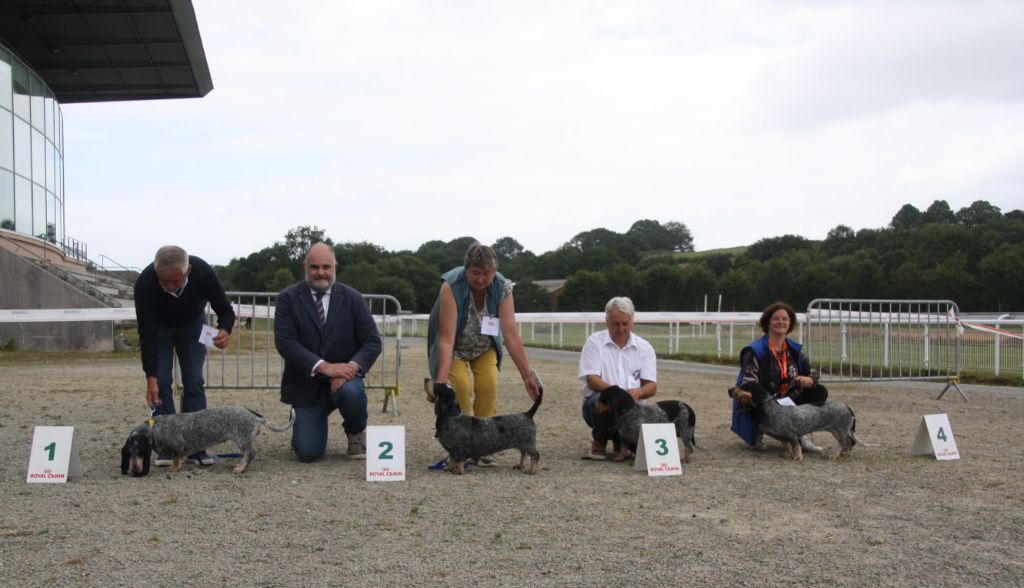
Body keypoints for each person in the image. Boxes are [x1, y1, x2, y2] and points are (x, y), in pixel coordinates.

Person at [274, 243, 382, 462]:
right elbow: (286, 343)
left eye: (326, 266)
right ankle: (303, 420)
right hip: (306, 386)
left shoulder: (353, 298)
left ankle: (355, 432)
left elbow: (372, 341)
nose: (320, 272)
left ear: (335, 266)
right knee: (308, 453)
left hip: (345, 382)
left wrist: (350, 369)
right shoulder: (288, 298)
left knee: (352, 392)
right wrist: (326, 368)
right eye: (314, 267)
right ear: (305, 266)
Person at [134, 245, 235, 466]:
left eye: (175, 281)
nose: (170, 286)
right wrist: (150, 376)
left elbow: (224, 308)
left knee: (193, 380)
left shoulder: (203, 272)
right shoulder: (145, 282)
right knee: (160, 382)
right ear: (155, 270)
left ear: (188, 271)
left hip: (193, 326)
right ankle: (166, 445)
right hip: (159, 330)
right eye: (164, 281)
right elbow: (147, 333)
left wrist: (224, 330)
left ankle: (195, 446)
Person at [426, 243, 540, 421]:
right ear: (466, 270)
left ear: (495, 271)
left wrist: (527, 376)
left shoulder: (503, 288)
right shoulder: (451, 287)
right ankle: (459, 437)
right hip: (455, 347)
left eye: (486, 273)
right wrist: (440, 383)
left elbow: (511, 336)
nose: (480, 279)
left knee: (488, 385)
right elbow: (446, 339)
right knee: (460, 388)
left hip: (485, 346)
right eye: (475, 273)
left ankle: (484, 437)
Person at [732, 301, 828, 449]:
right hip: (765, 399)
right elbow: (749, 381)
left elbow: (813, 372)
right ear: (768, 322)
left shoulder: (795, 349)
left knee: (819, 392)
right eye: (776, 318)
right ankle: (758, 432)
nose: (781, 322)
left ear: (790, 323)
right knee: (751, 395)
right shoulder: (754, 350)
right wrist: (749, 394)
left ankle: (801, 435)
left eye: (785, 319)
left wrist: (809, 379)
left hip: (790, 397)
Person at [578, 296, 657, 461]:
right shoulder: (594, 342)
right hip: (602, 404)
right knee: (599, 400)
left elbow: (651, 386)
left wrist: (639, 391)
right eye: (616, 323)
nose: (621, 328)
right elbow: (592, 379)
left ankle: (622, 442)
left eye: (625, 323)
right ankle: (599, 442)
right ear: (606, 320)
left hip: (634, 409)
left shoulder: (645, 348)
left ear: (632, 321)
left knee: (641, 454)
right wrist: (618, 394)